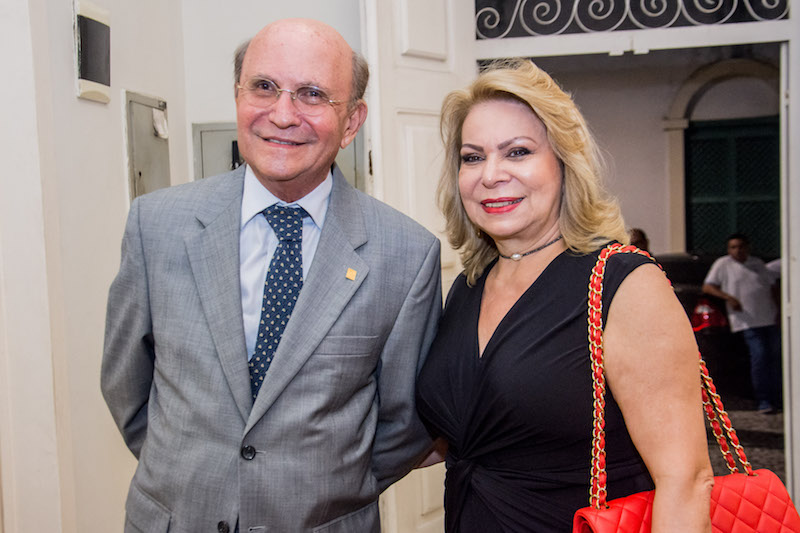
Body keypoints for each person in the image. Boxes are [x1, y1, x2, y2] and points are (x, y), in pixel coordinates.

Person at [102, 18, 442, 533]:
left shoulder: (407, 255)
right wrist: (188, 476)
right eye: (263, 87)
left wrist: (329, 490)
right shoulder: (157, 225)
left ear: (352, 122)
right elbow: (126, 386)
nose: (282, 115)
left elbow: (405, 422)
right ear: (238, 97)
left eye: (312, 94)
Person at [415, 60, 714, 532]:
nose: (490, 175)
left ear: (564, 161)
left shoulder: (622, 283)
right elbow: (470, 432)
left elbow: (687, 480)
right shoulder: (470, 284)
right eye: (472, 157)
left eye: (517, 152)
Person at [702, 233, 782, 414]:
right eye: (733, 247)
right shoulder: (723, 265)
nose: (738, 250)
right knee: (759, 357)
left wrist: (779, 311)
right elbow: (708, 286)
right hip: (747, 321)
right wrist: (728, 298)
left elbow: (772, 288)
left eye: (741, 246)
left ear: (747, 247)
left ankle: (778, 398)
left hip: (769, 318)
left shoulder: (757, 264)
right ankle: (763, 400)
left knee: (775, 359)